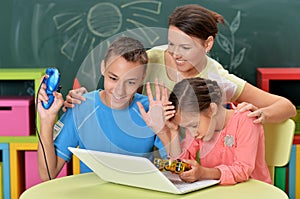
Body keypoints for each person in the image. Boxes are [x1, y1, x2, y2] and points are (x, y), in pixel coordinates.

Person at [63, 4, 296, 124]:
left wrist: (258, 115)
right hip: (146, 151)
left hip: (194, 163)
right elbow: (115, 88)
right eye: (171, 44)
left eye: (185, 47)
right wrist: (83, 97)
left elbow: (286, 106)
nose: (175, 54)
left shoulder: (216, 77)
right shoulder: (150, 59)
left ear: (208, 44)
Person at [37, 36, 167, 181]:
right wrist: (46, 120)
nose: (120, 90)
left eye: (130, 82)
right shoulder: (80, 107)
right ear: (103, 68)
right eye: (113, 78)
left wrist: (165, 129)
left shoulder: (151, 109)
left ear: (142, 78)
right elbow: (48, 174)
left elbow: (177, 164)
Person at [139, 77, 272, 185]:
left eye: (194, 125)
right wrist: (173, 131)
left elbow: (242, 170)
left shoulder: (246, 120)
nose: (192, 132)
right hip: (218, 193)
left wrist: (204, 173)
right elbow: (182, 163)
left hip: (253, 192)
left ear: (212, 109)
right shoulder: (201, 129)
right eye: (187, 127)